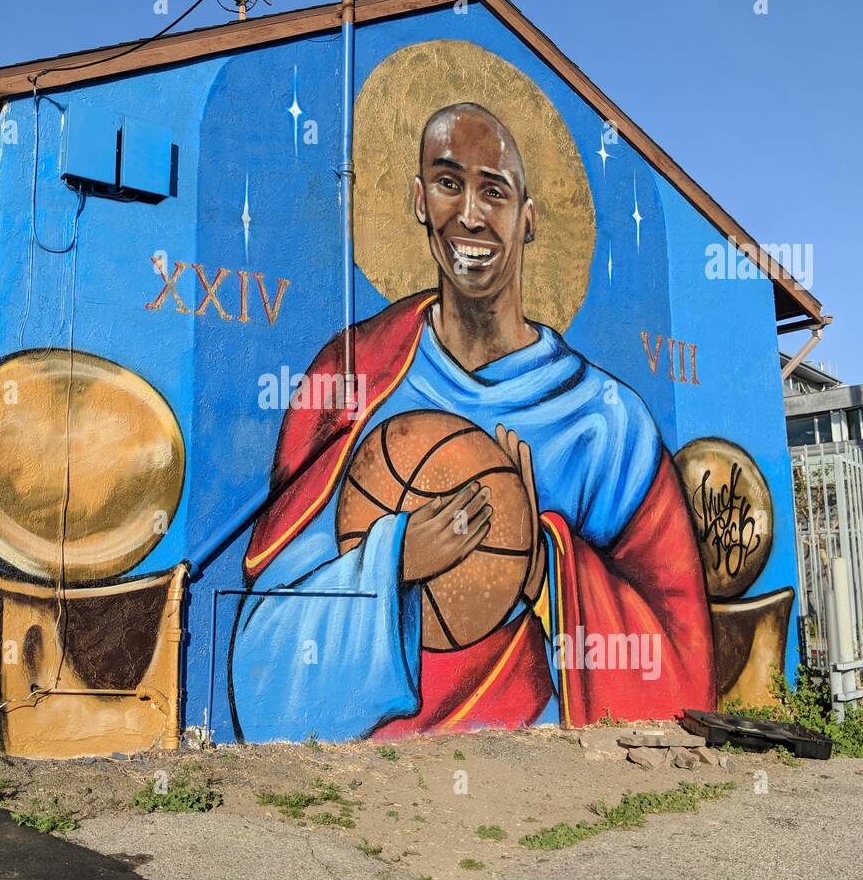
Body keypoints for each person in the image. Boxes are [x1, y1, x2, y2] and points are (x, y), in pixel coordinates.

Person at [229, 102, 714, 742]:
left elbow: (684, 670)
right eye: (449, 183)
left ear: (528, 219)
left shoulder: (607, 422)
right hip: (367, 795)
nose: (471, 214)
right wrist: (396, 557)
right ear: (418, 200)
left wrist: (540, 561)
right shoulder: (357, 376)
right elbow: (262, 657)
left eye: (495, 191)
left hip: (551, 790)